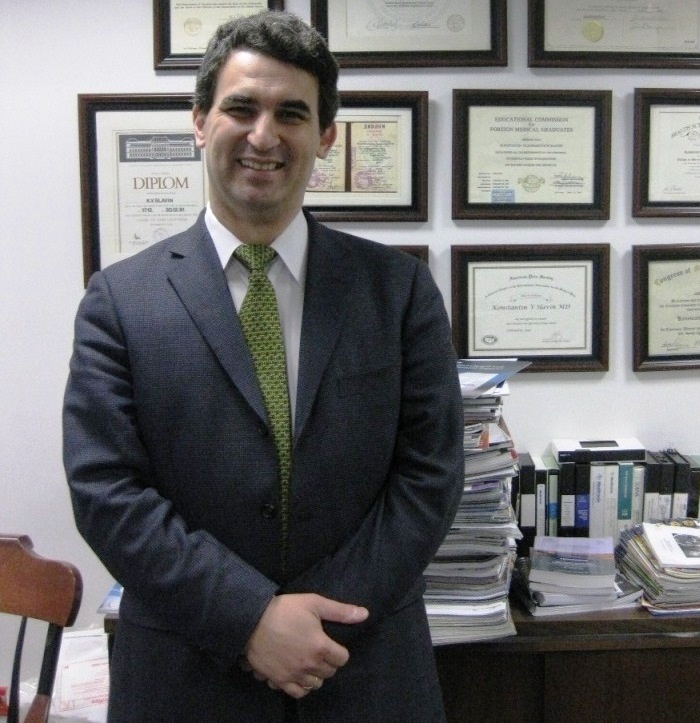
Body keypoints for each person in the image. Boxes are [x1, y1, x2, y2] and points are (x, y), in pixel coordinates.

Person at [63, 10, 464, 722]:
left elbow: (429, 475)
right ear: (200, 122)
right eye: (241, 108)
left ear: (326, 136)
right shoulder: (119, 302)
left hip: (363, 672)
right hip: (187, 677)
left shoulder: (398, 291)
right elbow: (107, 491)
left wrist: (314, 625)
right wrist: (249, 618)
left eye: (292, 114)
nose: (263, 135)